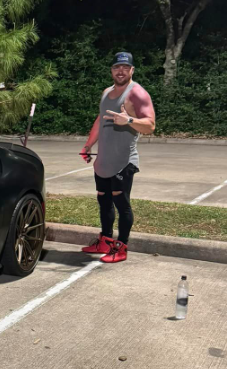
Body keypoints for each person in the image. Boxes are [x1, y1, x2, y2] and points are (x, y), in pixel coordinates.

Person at [80, 52, 156, 263]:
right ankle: (105, 240)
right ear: (111, 70)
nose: (120, 71)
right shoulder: (106, 92)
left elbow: (150, 125)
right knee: (103, 201)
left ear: (132, 70)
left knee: (121, 204)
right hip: (104, 159)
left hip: (124, 161)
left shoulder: (137, 93)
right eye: (116, 67)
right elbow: (99, 120)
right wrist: (88, 145)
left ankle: (121, 247)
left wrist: (129, 120)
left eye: (125, 67)